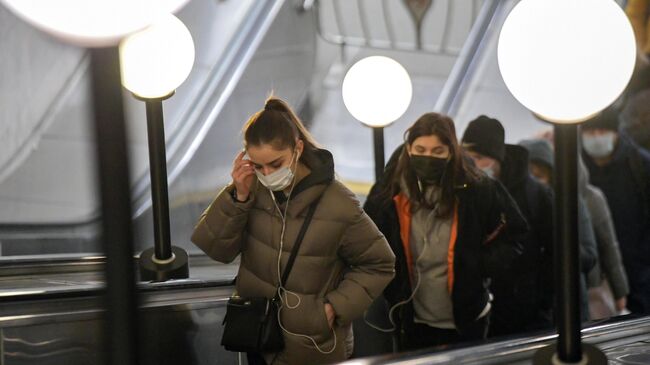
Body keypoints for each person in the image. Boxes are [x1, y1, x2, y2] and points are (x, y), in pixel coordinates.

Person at [191, 97, 396, 365]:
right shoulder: (251, 188)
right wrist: (238, 197)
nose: (267, 173)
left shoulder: (338, 202)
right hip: (258, 336)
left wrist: (334, 307)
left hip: (313, 347)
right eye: (257, 165)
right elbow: (217, 250)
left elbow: (380, 263)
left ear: (297, 148)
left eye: (276, 164)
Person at [363, 113, 527, 351]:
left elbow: (516, 233)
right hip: (410, 315)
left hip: (467, 317)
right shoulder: (390, 190)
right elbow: (368, 235)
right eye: (420, 149)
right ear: (408, 149)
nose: (428, 157)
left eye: (437, 151)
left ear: (451, 152)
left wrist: (477, 266)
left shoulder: (478, 188)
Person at [461, 116, 554, 336]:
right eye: (466, 156)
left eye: (478, 157)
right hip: (477, 308)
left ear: (497, 159)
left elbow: (555, 251)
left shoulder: (535, 195)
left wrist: (543, 303)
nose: (471, 164)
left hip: (525, 313)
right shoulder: (464, 190)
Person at [581, 108, 650, 315]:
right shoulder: (575, 167)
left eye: (602, 131)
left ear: (615, 132)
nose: (596, 137)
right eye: (590, 132)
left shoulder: (639, 164)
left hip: (639, 267)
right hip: (596, 271)